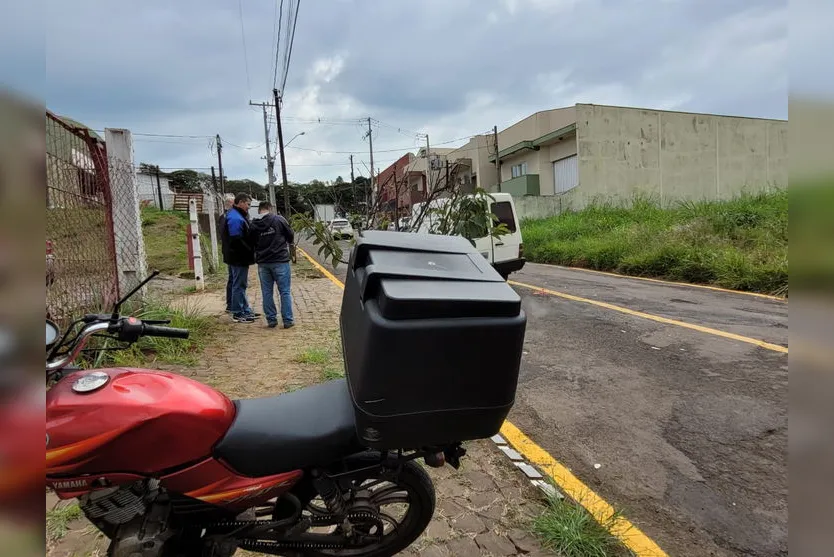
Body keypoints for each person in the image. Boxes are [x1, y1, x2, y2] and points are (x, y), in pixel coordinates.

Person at [250, 201, 295, 329]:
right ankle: (287, 320)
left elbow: (251, 242)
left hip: (263, 263)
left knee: (266, 292)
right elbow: (290, 235)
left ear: (260, 210)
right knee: (284, 291)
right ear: (270, 208)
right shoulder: (279, 220)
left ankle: (271, 320)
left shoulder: (254, 225)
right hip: (280, 260)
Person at [221, 193, 259, 323]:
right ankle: (238, 312)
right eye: (248, 204)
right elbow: (237, 240)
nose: (248, 207)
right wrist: (250, 249)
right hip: (238, 257)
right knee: (239, 284)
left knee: (239, 283)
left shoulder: (234, 215)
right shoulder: (236, 218)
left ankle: (245, 309)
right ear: (241, 202)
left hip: (234, 256)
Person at [218, 193, 235, 313]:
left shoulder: (224, 216)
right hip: (232, 252)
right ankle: (231, 304)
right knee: (234, 279)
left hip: (228, 251)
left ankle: (232, 303)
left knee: (233, 278)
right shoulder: (227, 217)